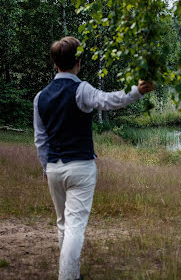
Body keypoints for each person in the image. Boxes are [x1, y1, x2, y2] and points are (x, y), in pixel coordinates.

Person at [33, 36, 154, 280]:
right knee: (75, 226)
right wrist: (137, 91)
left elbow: (40, 140)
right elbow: (109, 101)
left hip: (54, 169)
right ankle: (68, 277)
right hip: (80, 167)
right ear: (78, 62)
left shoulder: (40, 97)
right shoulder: (81, 89)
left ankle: (71, 273)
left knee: (63, 224)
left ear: (55, 64)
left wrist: (47, 167)